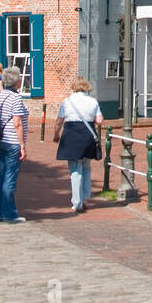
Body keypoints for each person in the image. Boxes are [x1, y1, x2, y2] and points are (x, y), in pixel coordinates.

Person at [54, 78, 104, 213]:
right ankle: (86, 197)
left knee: (75, 169)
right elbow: (99, 120)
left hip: (72, 136)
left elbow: (59, 120)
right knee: (86, 166)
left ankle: (77, 202)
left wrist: (56, 134)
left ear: (74, 87)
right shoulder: (93, 101)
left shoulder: (67, 101)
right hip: (88, 137)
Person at [0, 65, 29, 223]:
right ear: (15, 81)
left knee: (2, 176)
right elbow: (17, 123)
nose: (21, 79)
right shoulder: (15, 98)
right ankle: (9, 214)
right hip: (12, 141)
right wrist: (22, 145)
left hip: (0, 141)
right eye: (19, 77)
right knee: (10, 178)